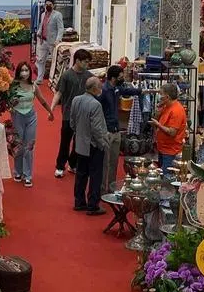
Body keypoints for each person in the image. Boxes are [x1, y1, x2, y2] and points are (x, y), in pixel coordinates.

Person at [71, 75, 111, 216]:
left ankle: (79, 202)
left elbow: (72, 121)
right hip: (93, 144)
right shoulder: (95, 105)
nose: (101, 89)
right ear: (94, 89)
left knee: (81, 174)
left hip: (80, 142)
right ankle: (93, 205)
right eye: (99, 87)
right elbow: (97, 128)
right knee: (95, 175)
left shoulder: (76, 100)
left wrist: (79, 134)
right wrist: (103, 143)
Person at [10, 61, 54, 186]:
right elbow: (6, 100)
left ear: (30, 72)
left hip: (31, 117)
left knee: (29, 146)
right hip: (17, 116)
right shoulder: (13, 85)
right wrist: (11, 105)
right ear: (18, 72)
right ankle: (18, 171)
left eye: (26, 70)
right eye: (22, 70)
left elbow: (42, 100)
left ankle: (28, 174)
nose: (24, 73)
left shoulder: (34, 86)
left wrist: (50, 112)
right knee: (18, 145)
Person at [98, 65, 140, 193]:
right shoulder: (104, 91)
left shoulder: (117, 88)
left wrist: (143, 90)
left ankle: (111, 188)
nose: (123, 78)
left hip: (116, 131)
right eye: (121, 76)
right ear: (113, 78)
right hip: (106, 131)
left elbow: (128, 91)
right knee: (104, 163)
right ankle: (102, 189)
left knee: (114, 162)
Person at [51, 48, 92, 177]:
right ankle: (60, 166)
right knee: (65, 141)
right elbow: (59, 93)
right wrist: (51, 109)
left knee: (79, 141)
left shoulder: (89, 76)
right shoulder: (66, 75)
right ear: (78, 61)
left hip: (84, 114)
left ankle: (73, 164)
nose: (87, 64)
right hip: (68, 114)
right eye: (85, 61)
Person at [150, 82, 187, 172]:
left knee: (167, 177)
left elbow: (172, 132)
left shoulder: (177, 110)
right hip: (162, 148)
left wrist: (158, 125)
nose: (159, 97)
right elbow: (155, 121)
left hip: (170, 151)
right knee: (161, 174)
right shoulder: (166, 106)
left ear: (167, 97)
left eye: (161, 94)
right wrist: (158, 112)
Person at [35, 0, 65, 81]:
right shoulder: (42, 14)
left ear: (53, 5)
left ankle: (55, 79)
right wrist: (39, 32)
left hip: (53, 42)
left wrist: (58, 40)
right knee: (40, 60)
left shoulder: (57, 15)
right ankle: (39, 78)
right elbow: (42, 25)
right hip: (43, 41)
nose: (48, 6)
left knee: (55, 61)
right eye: (46, 4)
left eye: (50, 5)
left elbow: (61, 28)